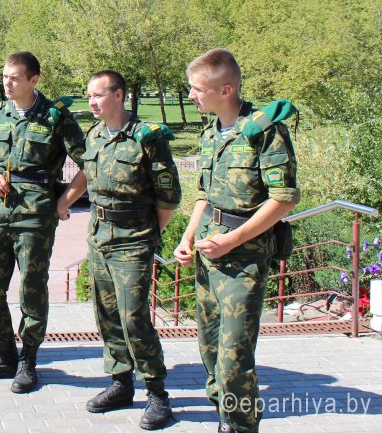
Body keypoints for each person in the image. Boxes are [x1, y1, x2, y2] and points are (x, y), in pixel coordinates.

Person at [173, 49, 299, 433]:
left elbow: (283, 199)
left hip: (244, 259)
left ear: (225, 90)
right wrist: (187, 237)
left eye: (197, 89)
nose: (191, 95)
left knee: (234, 359)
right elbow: (204, 195)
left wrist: (232, 241)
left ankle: (242, 425)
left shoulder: (264, 131)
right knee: (210, 348)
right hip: (209, 254)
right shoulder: (211, 132)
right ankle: (225, 416)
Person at [58, 70, 181, 430]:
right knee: (107, 314)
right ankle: (120, 383)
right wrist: (63, 203)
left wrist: (149, 234)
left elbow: (169, 196)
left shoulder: (148, 137)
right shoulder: (94, 135)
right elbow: (86, 175)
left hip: (134, 237)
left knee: (133, 318)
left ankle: (157, 394)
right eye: (89, 96)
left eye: (98, 95)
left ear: (119, 95)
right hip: (99, 235)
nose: (92, 102)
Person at [0, 51, 86, 393]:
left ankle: (28, 360)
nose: (7, 83)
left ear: (34, 80)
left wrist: (63, 203)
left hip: (36, 214)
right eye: (4, 76)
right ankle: (5, 354)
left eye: (15, 78)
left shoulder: (55, 117)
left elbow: (90, 164)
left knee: (32, 290)